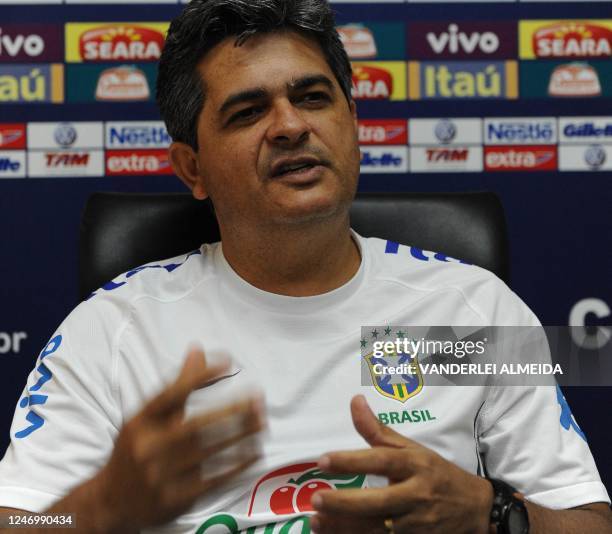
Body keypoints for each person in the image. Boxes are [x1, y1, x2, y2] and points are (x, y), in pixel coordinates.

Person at [0, 1, 611, 533]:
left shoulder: (473, 310)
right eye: (247, 112)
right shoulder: (112, 330)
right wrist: (104, 505)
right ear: (192, 168)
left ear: (352, 123)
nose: (290, 126)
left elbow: (587, 522)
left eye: (312, 97)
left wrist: (491, 514)